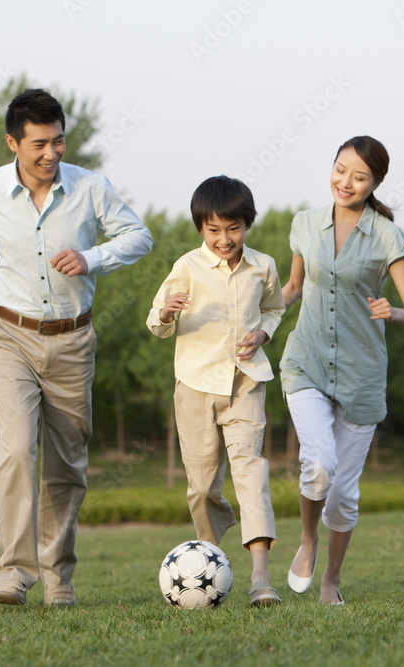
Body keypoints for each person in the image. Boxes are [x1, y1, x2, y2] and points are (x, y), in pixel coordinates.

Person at [0, 89, 153, 606]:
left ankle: (57, 577)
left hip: (72, 340)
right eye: (39, 144)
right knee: (15, 451)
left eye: (58, 141)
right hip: (9, 333)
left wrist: (91, 257)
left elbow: (139, 236)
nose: (51, 154)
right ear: (13, 142)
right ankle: (13, 573)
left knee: (66, 465)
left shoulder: (90, 187)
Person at [280, 136, 404, 605]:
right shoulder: (305, 224)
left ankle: (331, 581)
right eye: (341, 169)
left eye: (359, 176)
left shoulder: (386, 235)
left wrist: (393, 313)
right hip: (307, 361)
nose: (346, 181)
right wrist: (257, 317)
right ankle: (307, 539)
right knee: (318, 462)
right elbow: (294, 287)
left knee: (342, 495)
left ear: (374, 183)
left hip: (363, 374)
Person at [146, 175, 285, 607]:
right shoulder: (186, 267)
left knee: (250, 469)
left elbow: (274, 309)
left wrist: (262, 334)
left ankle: (261, 578)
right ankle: (210, 559)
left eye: (234, 228)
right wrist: (166, 313)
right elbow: (157, 322)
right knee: (203, 487)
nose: (225, 239)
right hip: (194, 385)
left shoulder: (263, 266)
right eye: (214, 230)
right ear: (200, 228)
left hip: (246, 382)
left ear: (247, 224)